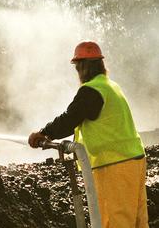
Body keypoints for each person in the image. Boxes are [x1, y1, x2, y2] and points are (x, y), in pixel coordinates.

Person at [28, 41, 148, 228]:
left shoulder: (91, 91)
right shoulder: (110, 86)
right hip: (134, 160)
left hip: (114, 165)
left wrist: (44, 133)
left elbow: (69, 119)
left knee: (114, 221)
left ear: (82, 67)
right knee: (137, 221)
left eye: (77, 68)